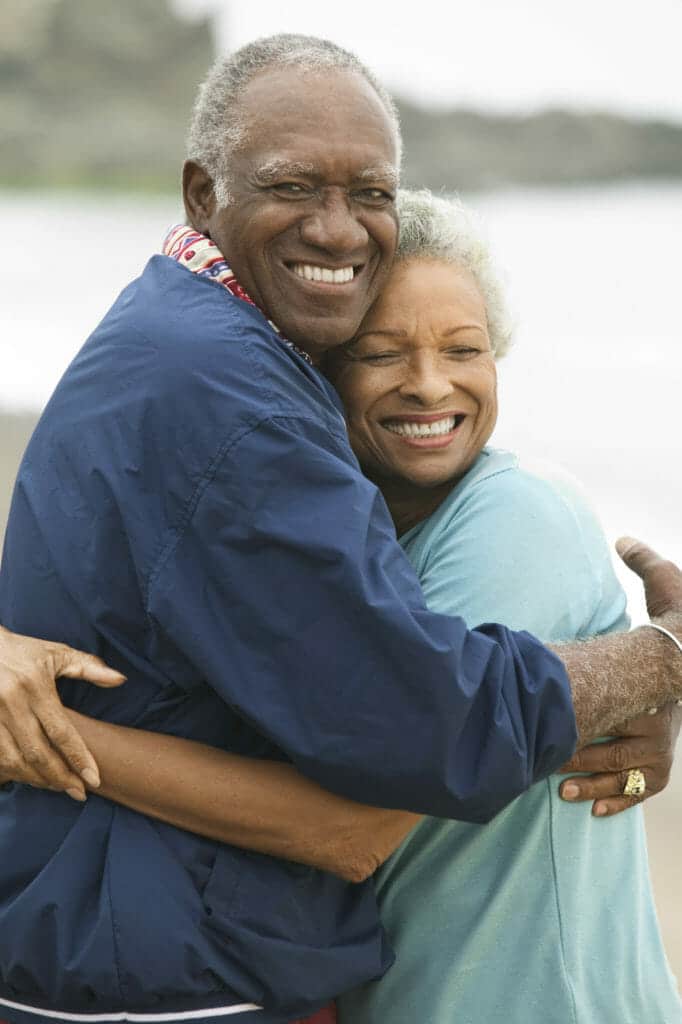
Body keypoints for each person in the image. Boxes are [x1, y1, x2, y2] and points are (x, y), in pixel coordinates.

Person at [1, 33, 682, 1024]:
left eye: (371, 192)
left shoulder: (194, 342)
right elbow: (409, 747)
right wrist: (658, 657)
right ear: (203, 194)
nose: (337, 229)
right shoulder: (244, 402)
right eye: (292, 185)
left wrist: (643, 681)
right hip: (147, 967)